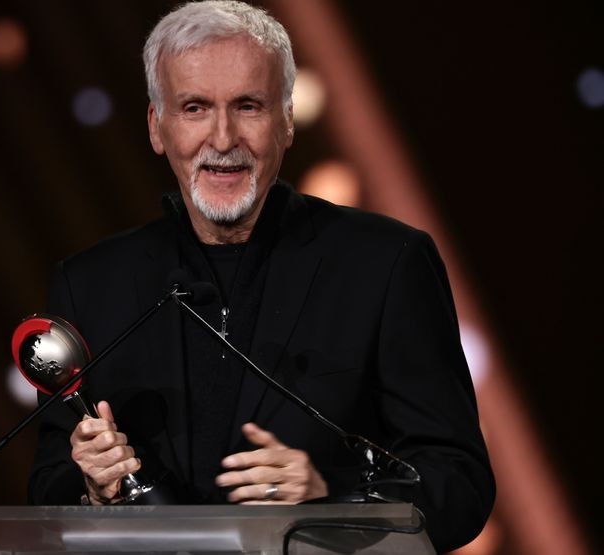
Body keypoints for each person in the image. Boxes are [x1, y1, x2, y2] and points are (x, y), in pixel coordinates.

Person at [28, 1, 495, 552]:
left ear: (287, 120)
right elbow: (48, 484)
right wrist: (91, 490)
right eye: (195, 108)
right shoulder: (91, 284)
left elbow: (458, 481)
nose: (223, 139)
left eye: (248, 106)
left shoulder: (386, 263)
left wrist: (334, 495)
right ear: (158, 127)